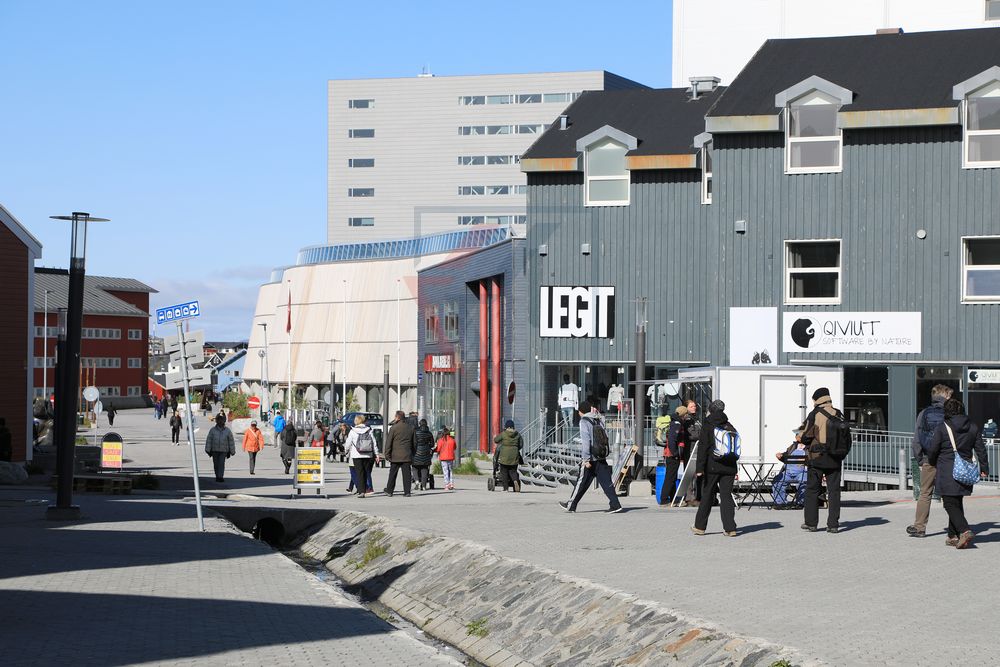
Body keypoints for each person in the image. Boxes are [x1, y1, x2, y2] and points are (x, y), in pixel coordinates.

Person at [926, 398, 989, 549]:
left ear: (946, 411)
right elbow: (981, 449)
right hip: (965, 470)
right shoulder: (972, 427)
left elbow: (933, 449)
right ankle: (952, 536)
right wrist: (984, 468)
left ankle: (964, 530)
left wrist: (932, 461)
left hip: (947, 470)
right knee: (957, 502)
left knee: (949, 503)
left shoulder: (942, 427)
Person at [560, 401, 622, 513]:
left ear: (581, 411)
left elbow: (586, 441)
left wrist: (586, 459)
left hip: (591, 458)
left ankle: (571, 505)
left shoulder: (584, 421)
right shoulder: (598, 419)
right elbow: (605, 436)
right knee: (606, 482)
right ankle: (615, 504)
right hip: (600, 456)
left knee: (581, 482)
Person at [907, 384, 953, 537]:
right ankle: (955, 529)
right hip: (948, 459)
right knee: (950, 495)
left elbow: (916, 439)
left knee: (925, 493)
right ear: (945, 396)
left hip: (928, 458)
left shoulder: (924, 413)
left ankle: (919, 527)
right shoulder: (951, 413)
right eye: (949, 396)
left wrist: (920, 459)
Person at [799, 388, 847, 534]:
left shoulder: (814, 414)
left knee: (812, 490)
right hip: (835, 458)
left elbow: (806, 436)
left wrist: (802, 436)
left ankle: (811, 523)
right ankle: (833, 525)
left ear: (817, 399)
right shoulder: (838, 414)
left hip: (817, 458)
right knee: (834, 492)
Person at [692, 400, 738, 537]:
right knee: (726, 496)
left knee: (707, 495)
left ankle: (700, 527)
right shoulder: (729, 425)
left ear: (711, 410)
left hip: (712, 466)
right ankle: (730, 528)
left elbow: (703, 447)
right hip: (729, 466)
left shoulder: (708, 424)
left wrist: (699, 468)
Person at [345, 414, 380, 498]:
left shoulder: (353, 431)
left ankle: (361, 491)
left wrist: (346, 451)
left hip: (356, 455)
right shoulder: (369, 430)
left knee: (359, 473)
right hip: (368, 454)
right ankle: (365, 489)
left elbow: (348, 443)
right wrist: (377, 454)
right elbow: (374, 442)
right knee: (365, 472)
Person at [383, 410, 415, 496]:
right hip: (407, 455)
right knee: (407, 474)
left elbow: (389, 442)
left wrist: (387, 454)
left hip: (395, 455)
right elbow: (414, 442)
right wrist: (413, 453)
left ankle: (389, 490)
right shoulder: (411, 428)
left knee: (393, 474)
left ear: (397, 417)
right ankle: (407, 491)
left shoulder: (394, 428)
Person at [680, 398, 703, 507]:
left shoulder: (696, 419)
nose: (694, 408)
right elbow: (692, 435)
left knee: (698, 473)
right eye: (691, 406)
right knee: (690, 474)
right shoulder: (687, 420)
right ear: (686, 408)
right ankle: (689, 498)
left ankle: (698, 496)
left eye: (694, 406)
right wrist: (703, 436)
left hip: (698, 449)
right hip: (690, 450)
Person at [772, 441, 808, 508]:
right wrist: (781, 456)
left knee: (804, 481)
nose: (796, 436)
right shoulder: (793, 446)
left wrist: (806, 461)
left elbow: (814, 458)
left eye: (798, 434)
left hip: (802, 472)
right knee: (777, 481)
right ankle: (780, 502)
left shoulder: (809, 446)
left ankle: (800, 502)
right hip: (788, 472)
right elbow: (786, 457)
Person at [662, 405, 686, 504]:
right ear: (683, 414)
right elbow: (672, 440)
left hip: (670, 454)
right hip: (672, 455)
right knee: (670, 477)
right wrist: (675, 453)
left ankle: (672, 498)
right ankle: (664, 499)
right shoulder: (677, 424)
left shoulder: (675, 422)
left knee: (672, 477)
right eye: (685, 414)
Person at [204, 413, 235, 483]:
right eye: (219, 420)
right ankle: (217, 475)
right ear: (217, 421)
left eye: (222, 420)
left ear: (224, 421)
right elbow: (209, 440)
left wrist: (232, 451)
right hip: (214, 450)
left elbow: (231, 441)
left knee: (221, 463)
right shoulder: (212, 430)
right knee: (216, 464)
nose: (221, 421)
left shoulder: (227, 430)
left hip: (223, 450)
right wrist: (207, 449)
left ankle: (220, 476)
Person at [494, 419, 523, 492]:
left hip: (504, 456)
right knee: (513, 471)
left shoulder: (503, 434)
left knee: (504, 472)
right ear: (513, 427)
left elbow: (496, 440)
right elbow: (521, 444)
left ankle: (505, 488)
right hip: (514, 456)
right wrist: (516, 448)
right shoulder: (517, 434)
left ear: (506, 427)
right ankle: (515, 481)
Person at [412, 418, 435, 491]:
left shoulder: (415, 432)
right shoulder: (429, 433)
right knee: (424, 469)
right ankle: (424, 486)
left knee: (414, 468)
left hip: (416, 453)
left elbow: (413, 442)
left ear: (420, 424)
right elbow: (432, 444)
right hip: (426, 453)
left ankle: (416, 481)